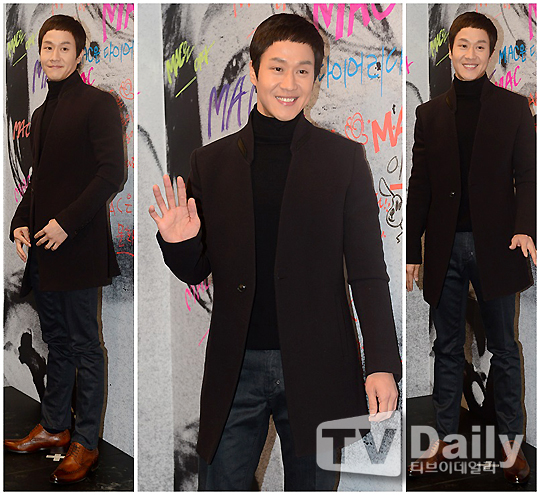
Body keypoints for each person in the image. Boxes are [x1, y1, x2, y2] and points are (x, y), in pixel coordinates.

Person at [150, 13, 401, 491]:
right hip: (235, 365)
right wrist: (179, 243)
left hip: (318, 362)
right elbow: (195, 270)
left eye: (303, 70)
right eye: (277, 68)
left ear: (316, 76)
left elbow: (368, 272)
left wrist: (382, 363)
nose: (290, 84)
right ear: (254, 71)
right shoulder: (210, 162)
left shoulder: (343, 160)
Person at [406, 11, 535, 485]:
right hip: (444, 249)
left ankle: (511, 448)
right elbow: (420, 185)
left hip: (499, 246)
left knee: (504, 348)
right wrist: (412, 251)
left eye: (481, 46)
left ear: (491, 54)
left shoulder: (514, 109)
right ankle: (442, 442)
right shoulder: (429, 114)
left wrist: (525, 228)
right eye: (463, 45)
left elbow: (528, 176)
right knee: (446, 348)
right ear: (451, 49)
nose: (471, 54)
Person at [4, 14, 125, 485]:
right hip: (44, 250)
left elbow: (112, 174)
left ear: (79, 54)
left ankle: (86, 442)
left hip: (78, 249)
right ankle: (55, 426)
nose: (54, 55)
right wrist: (20, 222)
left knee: (85, 347)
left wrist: (65, 225)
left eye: (64, 48)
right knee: (56, 342)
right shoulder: (40, 114)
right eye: (48, 47)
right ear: (40, 53)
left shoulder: (98, 104)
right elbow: (40, 182)